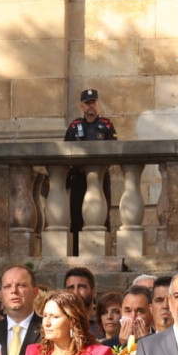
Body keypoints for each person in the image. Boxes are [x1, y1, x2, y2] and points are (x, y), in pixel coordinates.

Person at [63, 88, 117, 255]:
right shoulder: (74, 126)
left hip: (100, 178)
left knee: (103, 215)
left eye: (93, 102)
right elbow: (65, 151)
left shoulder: (106, 125)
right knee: (77, 215)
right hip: (79, 178)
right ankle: (77, 253)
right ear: (82, 105)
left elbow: (114, 150)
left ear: (97, 103)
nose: (90, 106)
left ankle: (104, 253)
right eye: (87, 103)